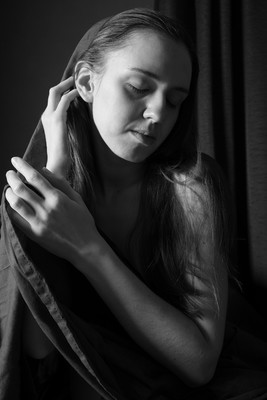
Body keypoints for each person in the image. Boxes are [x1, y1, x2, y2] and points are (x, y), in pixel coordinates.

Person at [1, 7, 238, 400]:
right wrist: (56, 174)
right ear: (86, 83)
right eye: (139, 87)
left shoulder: (190, 190)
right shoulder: (41, 194)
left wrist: (89, 249)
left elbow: (199, 364)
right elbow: (37, 350)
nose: (159, 113)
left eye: (176, 100)